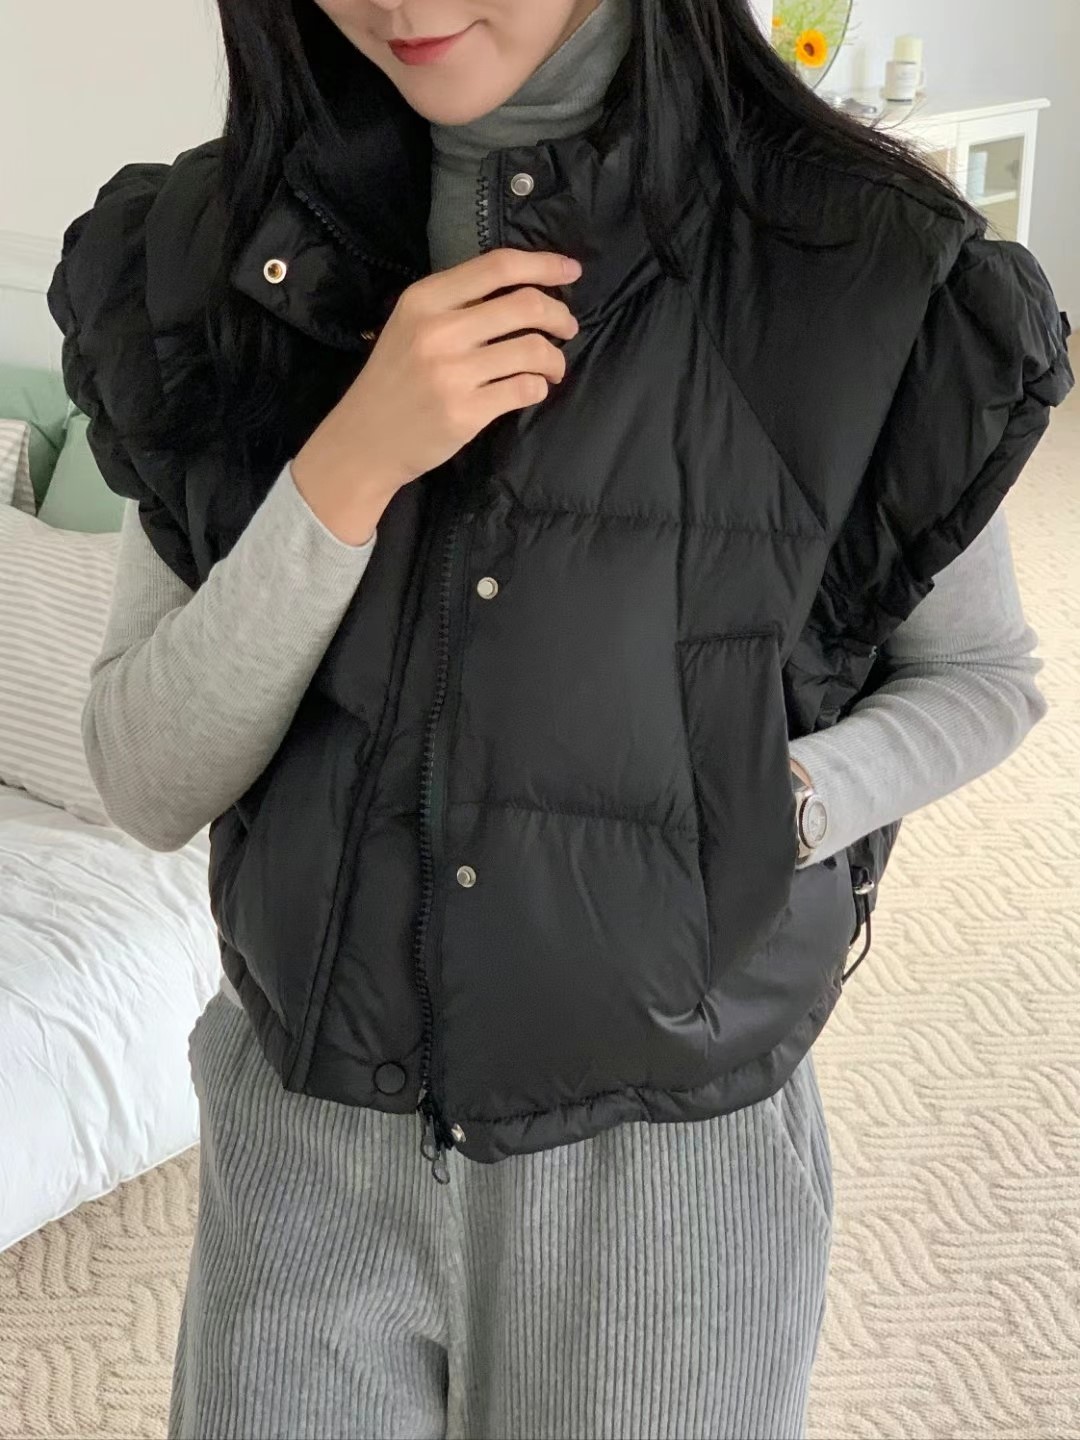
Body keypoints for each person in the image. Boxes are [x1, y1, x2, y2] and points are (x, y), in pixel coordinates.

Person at [48, 1, 1072, 1436]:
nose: (405, 6)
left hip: (664, 1170)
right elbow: (148, 779)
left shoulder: (862, 268)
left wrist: (774, 809)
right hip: (303, 1139)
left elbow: (982, 679)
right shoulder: (209, 257)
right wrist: (347, 470)